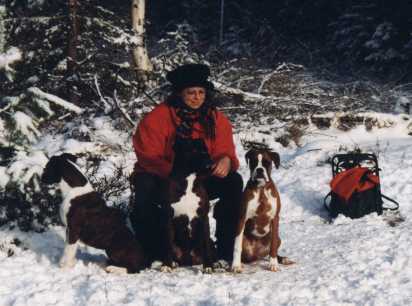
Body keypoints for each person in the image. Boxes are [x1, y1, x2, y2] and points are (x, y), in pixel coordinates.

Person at [130, 63, 243, 263]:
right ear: (179, 93)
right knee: (144, 186)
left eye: (201, 92)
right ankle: (151, 250)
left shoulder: (216, 118)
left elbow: (225, 150)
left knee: (233, 181)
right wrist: (175, 175)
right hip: (161, 175)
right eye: (191, 92)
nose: (197, 97)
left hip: (199, 178)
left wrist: (226, 160)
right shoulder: (157, 118)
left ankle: (226, 247)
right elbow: (148, 156)